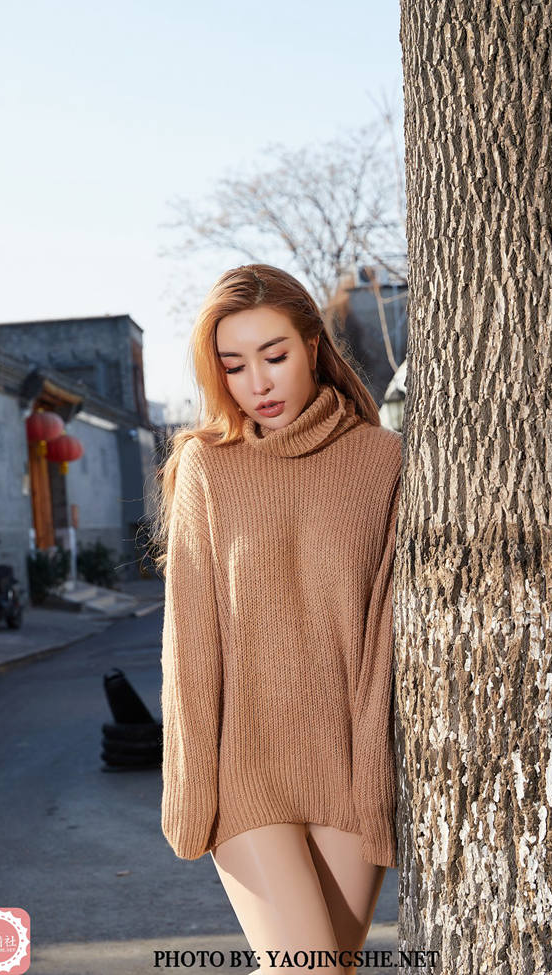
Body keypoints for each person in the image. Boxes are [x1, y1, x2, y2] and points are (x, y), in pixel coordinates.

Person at [152, 263, 403, 975]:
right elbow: (189, 642)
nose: (257, 383)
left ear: (313, 347)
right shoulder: (207, 467)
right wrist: (191, 785)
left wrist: (373, 777)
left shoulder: (384, 461)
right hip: (246, 770)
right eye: (234, 366)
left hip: (347, 770)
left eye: (274, 355)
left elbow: (387, 633)